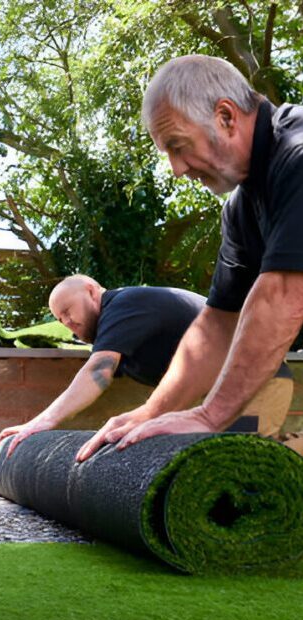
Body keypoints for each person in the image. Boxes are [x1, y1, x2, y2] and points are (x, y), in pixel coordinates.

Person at [75, 54, 301, 463]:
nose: (177, 169)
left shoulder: (297, 157)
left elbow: (283, 296)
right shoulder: (242, 208)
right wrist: (152, 411)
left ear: (226, 116)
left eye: (179, 146)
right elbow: (216, 324)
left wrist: (210, 415)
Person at [0, 274, 292, 457]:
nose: (68, 323)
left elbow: (98, 372)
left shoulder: (124, 305)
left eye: (68, 310)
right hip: (220, 395)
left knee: (245, 466)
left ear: (92, 291)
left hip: (257, 383)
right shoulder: (121, 329)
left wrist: (42, 422)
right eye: (60, 319)